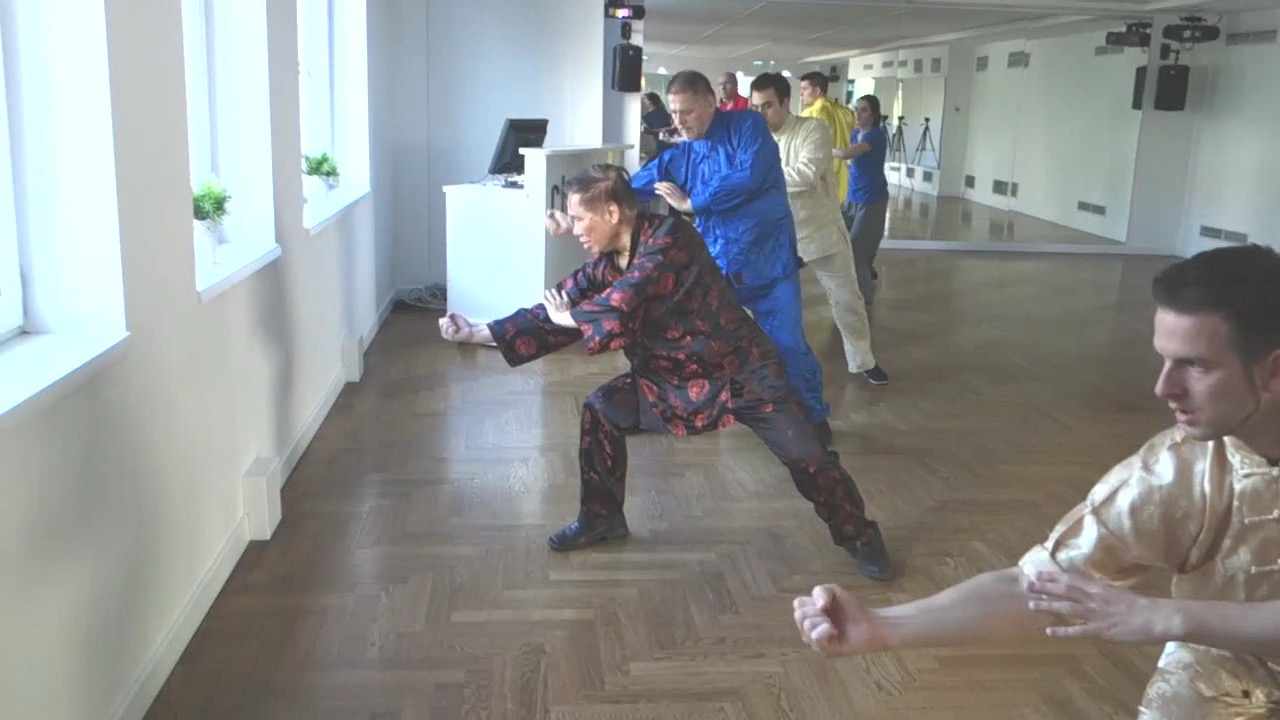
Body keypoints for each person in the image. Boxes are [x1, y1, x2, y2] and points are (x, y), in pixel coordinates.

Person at [791, 243, 1280, 717]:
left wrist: (1169, 617)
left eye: (1196, 365)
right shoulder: (1178, 469)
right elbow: (1038, 586)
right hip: (1224, 677)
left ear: (1273, 370)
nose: (1163, 388)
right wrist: (884, 625)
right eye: (1164, 359)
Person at [439, 164, 893, 581]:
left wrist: (571, 318)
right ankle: (601, 518)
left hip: (744, 371)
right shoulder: (606, 264)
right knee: (601, 410)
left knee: (809, 457)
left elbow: (622, 301)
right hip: (670, 378)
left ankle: (860, 536)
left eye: (579, 219)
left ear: (612, 213)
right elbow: (556, 306)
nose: (572, 229)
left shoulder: (670, 238)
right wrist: (476, 331)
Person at [629, 69, 834, 444]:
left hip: (770, 267)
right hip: (720, 270)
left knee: (788, 346)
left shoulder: (748, 127)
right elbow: (635, 186)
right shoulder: (684, 154)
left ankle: (812, 416)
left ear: (710, 103)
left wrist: (694, 203)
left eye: (687, 112)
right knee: (682, 337)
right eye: (674, 113)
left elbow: (748, 176)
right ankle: (667, 408)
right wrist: (587, 207)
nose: (679, 122)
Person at [748, 72, 888, 386]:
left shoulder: (813, 129)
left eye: (767, 106)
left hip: (820, 231)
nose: (761, 114)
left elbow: (804, 174)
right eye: (755, 107)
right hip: (778, 234)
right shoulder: (755, 138)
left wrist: (756, 177)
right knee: (766, 301)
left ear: (785, 102)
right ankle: (770, 362)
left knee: (847, 299)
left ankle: (863, 360)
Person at [844, 95, 891, 314]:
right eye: (856, 109)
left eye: (863, 110)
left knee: (857, 248)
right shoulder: (855, 133)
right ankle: (863, 273)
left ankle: (865, 293)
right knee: (842, 240)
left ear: (873, 114)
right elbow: (852, 162)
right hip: (852, 197)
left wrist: (830, 151)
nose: (857, 114)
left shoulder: (876, 135)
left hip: (872, 199)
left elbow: (851, 153)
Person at [798, 71, 856, 207]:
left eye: (805, 89)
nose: (801, 94)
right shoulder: (845, 111)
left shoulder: (810, 114)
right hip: (845, 183)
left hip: (821, 185)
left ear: (817, 90)